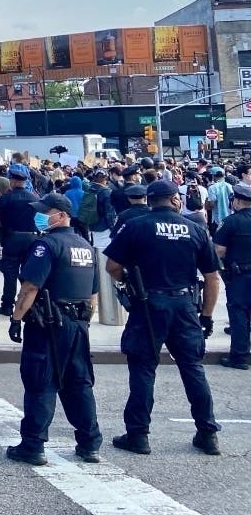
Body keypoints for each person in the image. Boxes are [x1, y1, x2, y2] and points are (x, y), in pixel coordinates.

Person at [104, 179, 222, 456]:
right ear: (174, 199)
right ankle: (207, 433)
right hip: (183, 304)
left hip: (148, 303)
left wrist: (129, 284)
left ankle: (138, 434)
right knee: (192, 368)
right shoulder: (195, 229)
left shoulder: (136, 226)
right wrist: (206, 315)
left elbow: (112, 266)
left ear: (150, 200)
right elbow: (212, 277)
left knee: (143, 369)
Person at [6, 193, 102, 466]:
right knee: (79, 383)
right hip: (77, 325)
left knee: (40, 382)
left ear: (61, 215)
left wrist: (16, 318)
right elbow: (93, 296)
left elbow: (30, 287)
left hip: (47, 325)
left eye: (45, 212)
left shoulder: (46, 246)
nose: (40, 216)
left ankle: (33, 445)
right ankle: (89, 443)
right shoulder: (85, 246)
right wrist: (83, 323)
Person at [0, 163, 40, 316]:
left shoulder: (7, 197)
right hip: (31, 238)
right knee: (28, 274)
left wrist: (0, 230)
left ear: (12, 180)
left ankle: (7, 305)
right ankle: (29, 304)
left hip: (12, 238)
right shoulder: (34, 197)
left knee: (10, 274)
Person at [212, 181, 251, 370]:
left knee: (239, 314)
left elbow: (218, 250)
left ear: (237, 201)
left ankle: (239, 357)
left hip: (240, 276)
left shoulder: (230, 222)